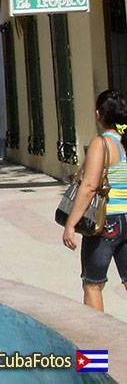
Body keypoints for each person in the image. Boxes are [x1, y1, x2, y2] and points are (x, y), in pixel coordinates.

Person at [62, 89, 127, 312]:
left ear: (98, 114)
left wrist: (71, 224)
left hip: (106, 222)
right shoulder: (124, 142)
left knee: (92, 284)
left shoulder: (102, 144)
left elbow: (89, 187)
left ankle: (94, 348)